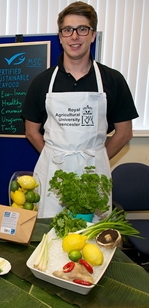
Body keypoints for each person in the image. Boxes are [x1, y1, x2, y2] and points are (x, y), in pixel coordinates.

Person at [22, 1, 138, 222]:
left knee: (92, 239)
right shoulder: (42, 82)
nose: (74, 36)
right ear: (60, 36)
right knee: (49, 232)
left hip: (93, 175)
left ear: (92, 34)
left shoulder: (112, 80)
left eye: (82, 29)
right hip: (52, 175)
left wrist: (97, 158)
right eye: (68, 30)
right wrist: (52, 158)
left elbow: (125, 133)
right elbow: (31, 131)